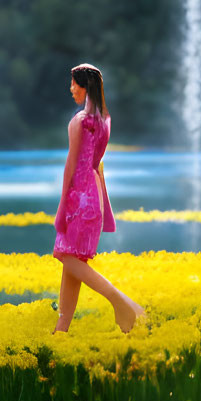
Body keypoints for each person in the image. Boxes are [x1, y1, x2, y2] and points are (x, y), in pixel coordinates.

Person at [52, 63, 144, 333]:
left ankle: (121, 302)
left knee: (66, 256)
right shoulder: (104, 120)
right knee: (73, 263)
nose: (71, 89)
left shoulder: (80, 122)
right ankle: (62, 328)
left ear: (84, 86)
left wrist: (61, 206)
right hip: (94, 197)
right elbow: (98, 164)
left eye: (74, 84)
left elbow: (71, 166)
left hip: (80, 197)